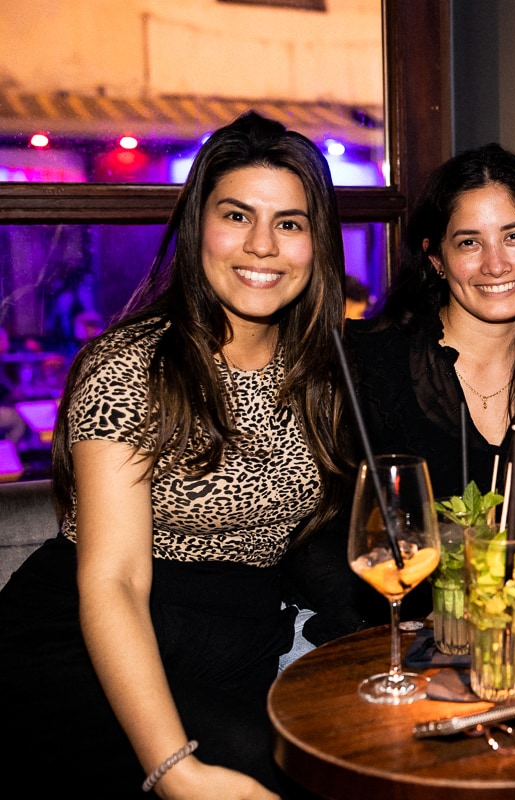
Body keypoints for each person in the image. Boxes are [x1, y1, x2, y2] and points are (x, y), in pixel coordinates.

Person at [0, 111, 349, 799]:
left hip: (239, 641)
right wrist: (173, 769)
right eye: (236, 215)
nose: (261, 246)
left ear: (316, 243)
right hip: (91, 640)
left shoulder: (325, 372)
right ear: (199, 228)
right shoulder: (131, 366)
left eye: (289, 222)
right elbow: (114, 581)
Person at [288, 142, 515, 646]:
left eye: (514, 236)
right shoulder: (364, 364)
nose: (495, 264)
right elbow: (316, 539)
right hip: (374, 648)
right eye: (469, 242)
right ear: (437, 259)